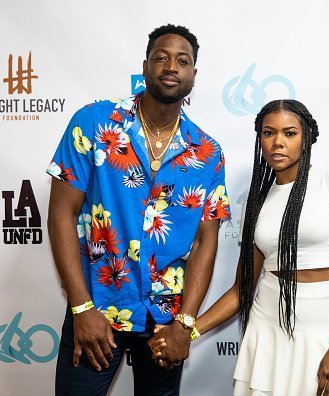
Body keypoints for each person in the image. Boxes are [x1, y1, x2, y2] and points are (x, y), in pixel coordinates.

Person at [46, 24, 230, 396]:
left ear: (194, 74)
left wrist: (185, 323)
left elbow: (204, 243)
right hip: (97, 309)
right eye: (161, 57)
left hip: (164, 321)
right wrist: (82, 309)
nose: (171, 67)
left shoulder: (208, 153)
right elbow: (60, 215)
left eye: (183, 60)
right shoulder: (95, 123)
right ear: (145, 67)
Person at [151, 99, 329, 396]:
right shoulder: (256, 202)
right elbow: (241, 290)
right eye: (269, 133)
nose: (278, 142)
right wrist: (186, 332)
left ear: (306, 137)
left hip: (326, 329)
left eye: (289, 133)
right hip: (269, 330)